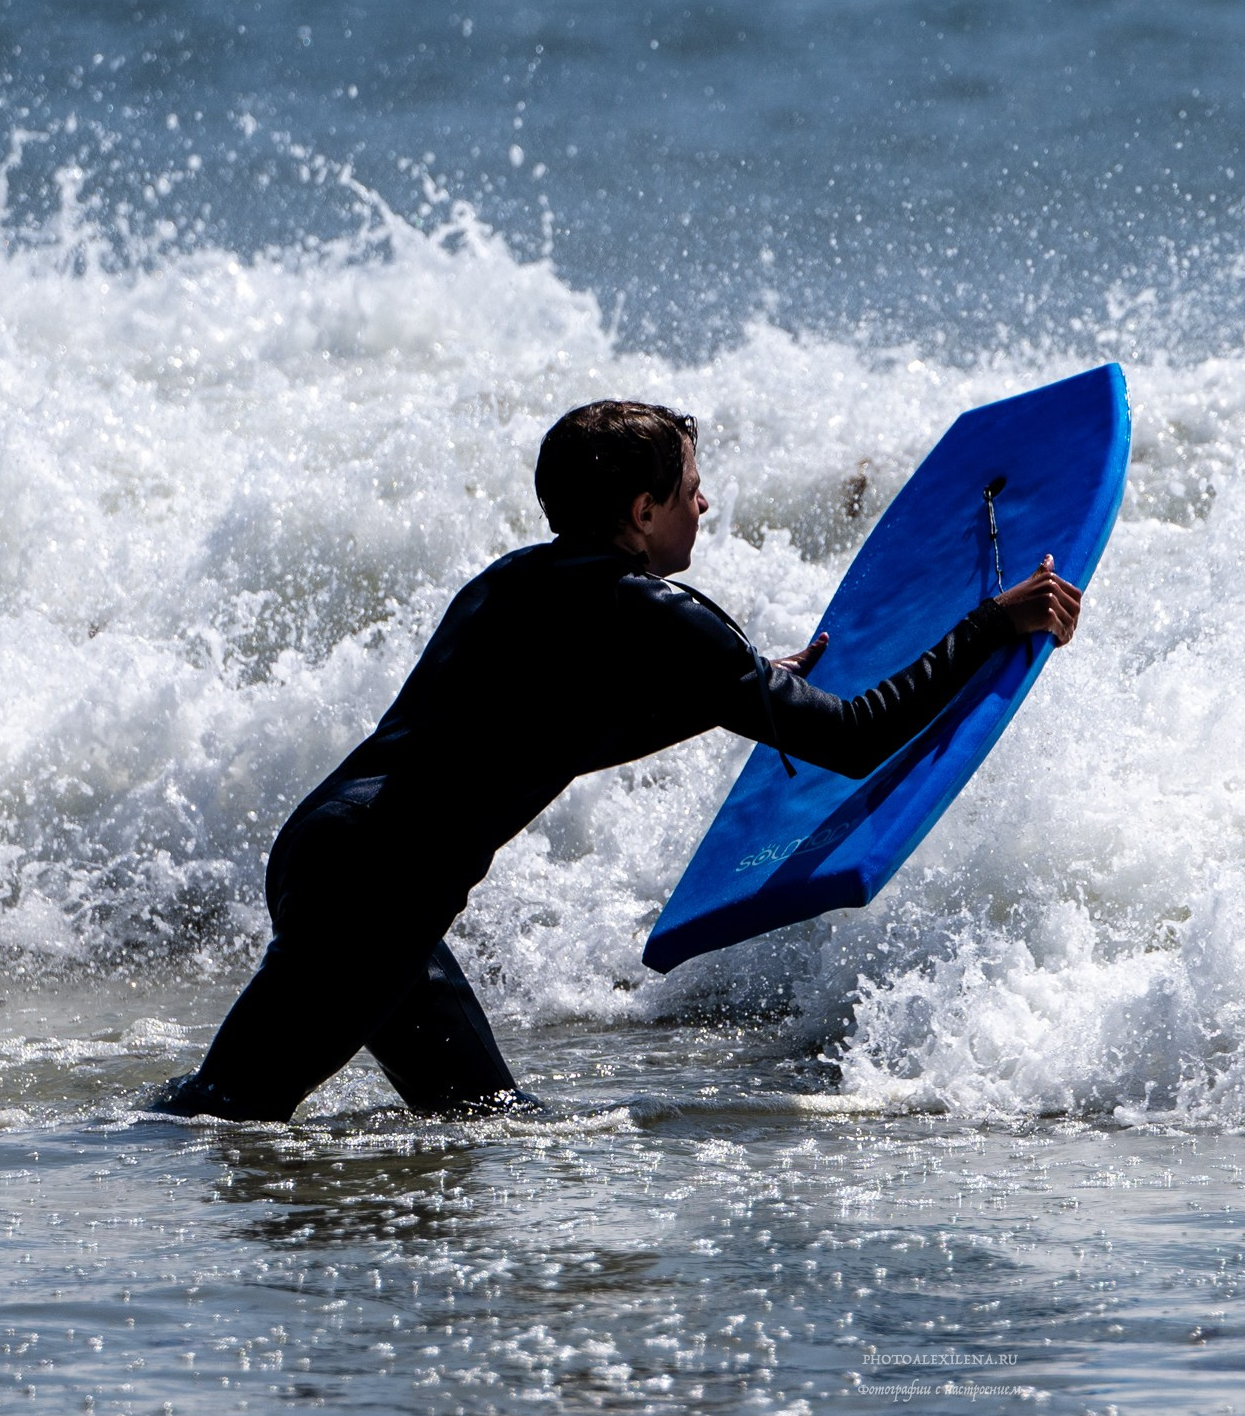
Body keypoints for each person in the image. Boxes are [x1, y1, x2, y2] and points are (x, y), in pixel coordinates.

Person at [154, 399, 1082, 1121]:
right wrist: (989, 623)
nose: (705, 503)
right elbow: (853, 737)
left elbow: (544, 738)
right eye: (690, 489)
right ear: (643, 511)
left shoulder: (510, 580)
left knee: (484, 1119)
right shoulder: (660, 615)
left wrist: (732, 697)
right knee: (225, 1117)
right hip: (383, 885)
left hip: (337, 848)